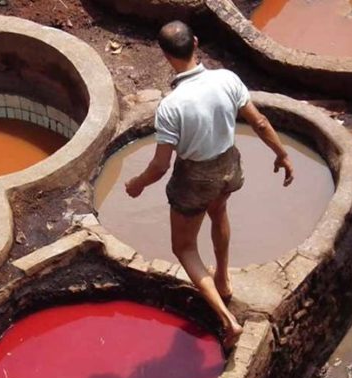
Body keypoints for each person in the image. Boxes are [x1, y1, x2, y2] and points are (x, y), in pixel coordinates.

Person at [125, 21, 294, 351]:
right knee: (219, 213)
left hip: (195, 177)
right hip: (228, 166)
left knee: (184, 248)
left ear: (165, 56)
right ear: (196, 43)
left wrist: (137, 184)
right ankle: (224, 281)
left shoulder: (172, 106)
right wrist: (282, 154)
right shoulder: (226, 79)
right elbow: (259, 122)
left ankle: (228, 321)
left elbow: (161, 165)